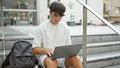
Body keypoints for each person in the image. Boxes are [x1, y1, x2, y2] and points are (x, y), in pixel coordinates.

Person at [32, 1, 83, 68]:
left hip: (62, 58)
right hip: (46, 56)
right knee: (52, 62)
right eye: (55, 15)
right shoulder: (41, 28)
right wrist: (47, 50)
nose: (58, 19)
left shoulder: (66, 28)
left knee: (76, 58)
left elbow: (68, 47)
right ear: (50, 13)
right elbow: (34, 49)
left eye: (60, 16)